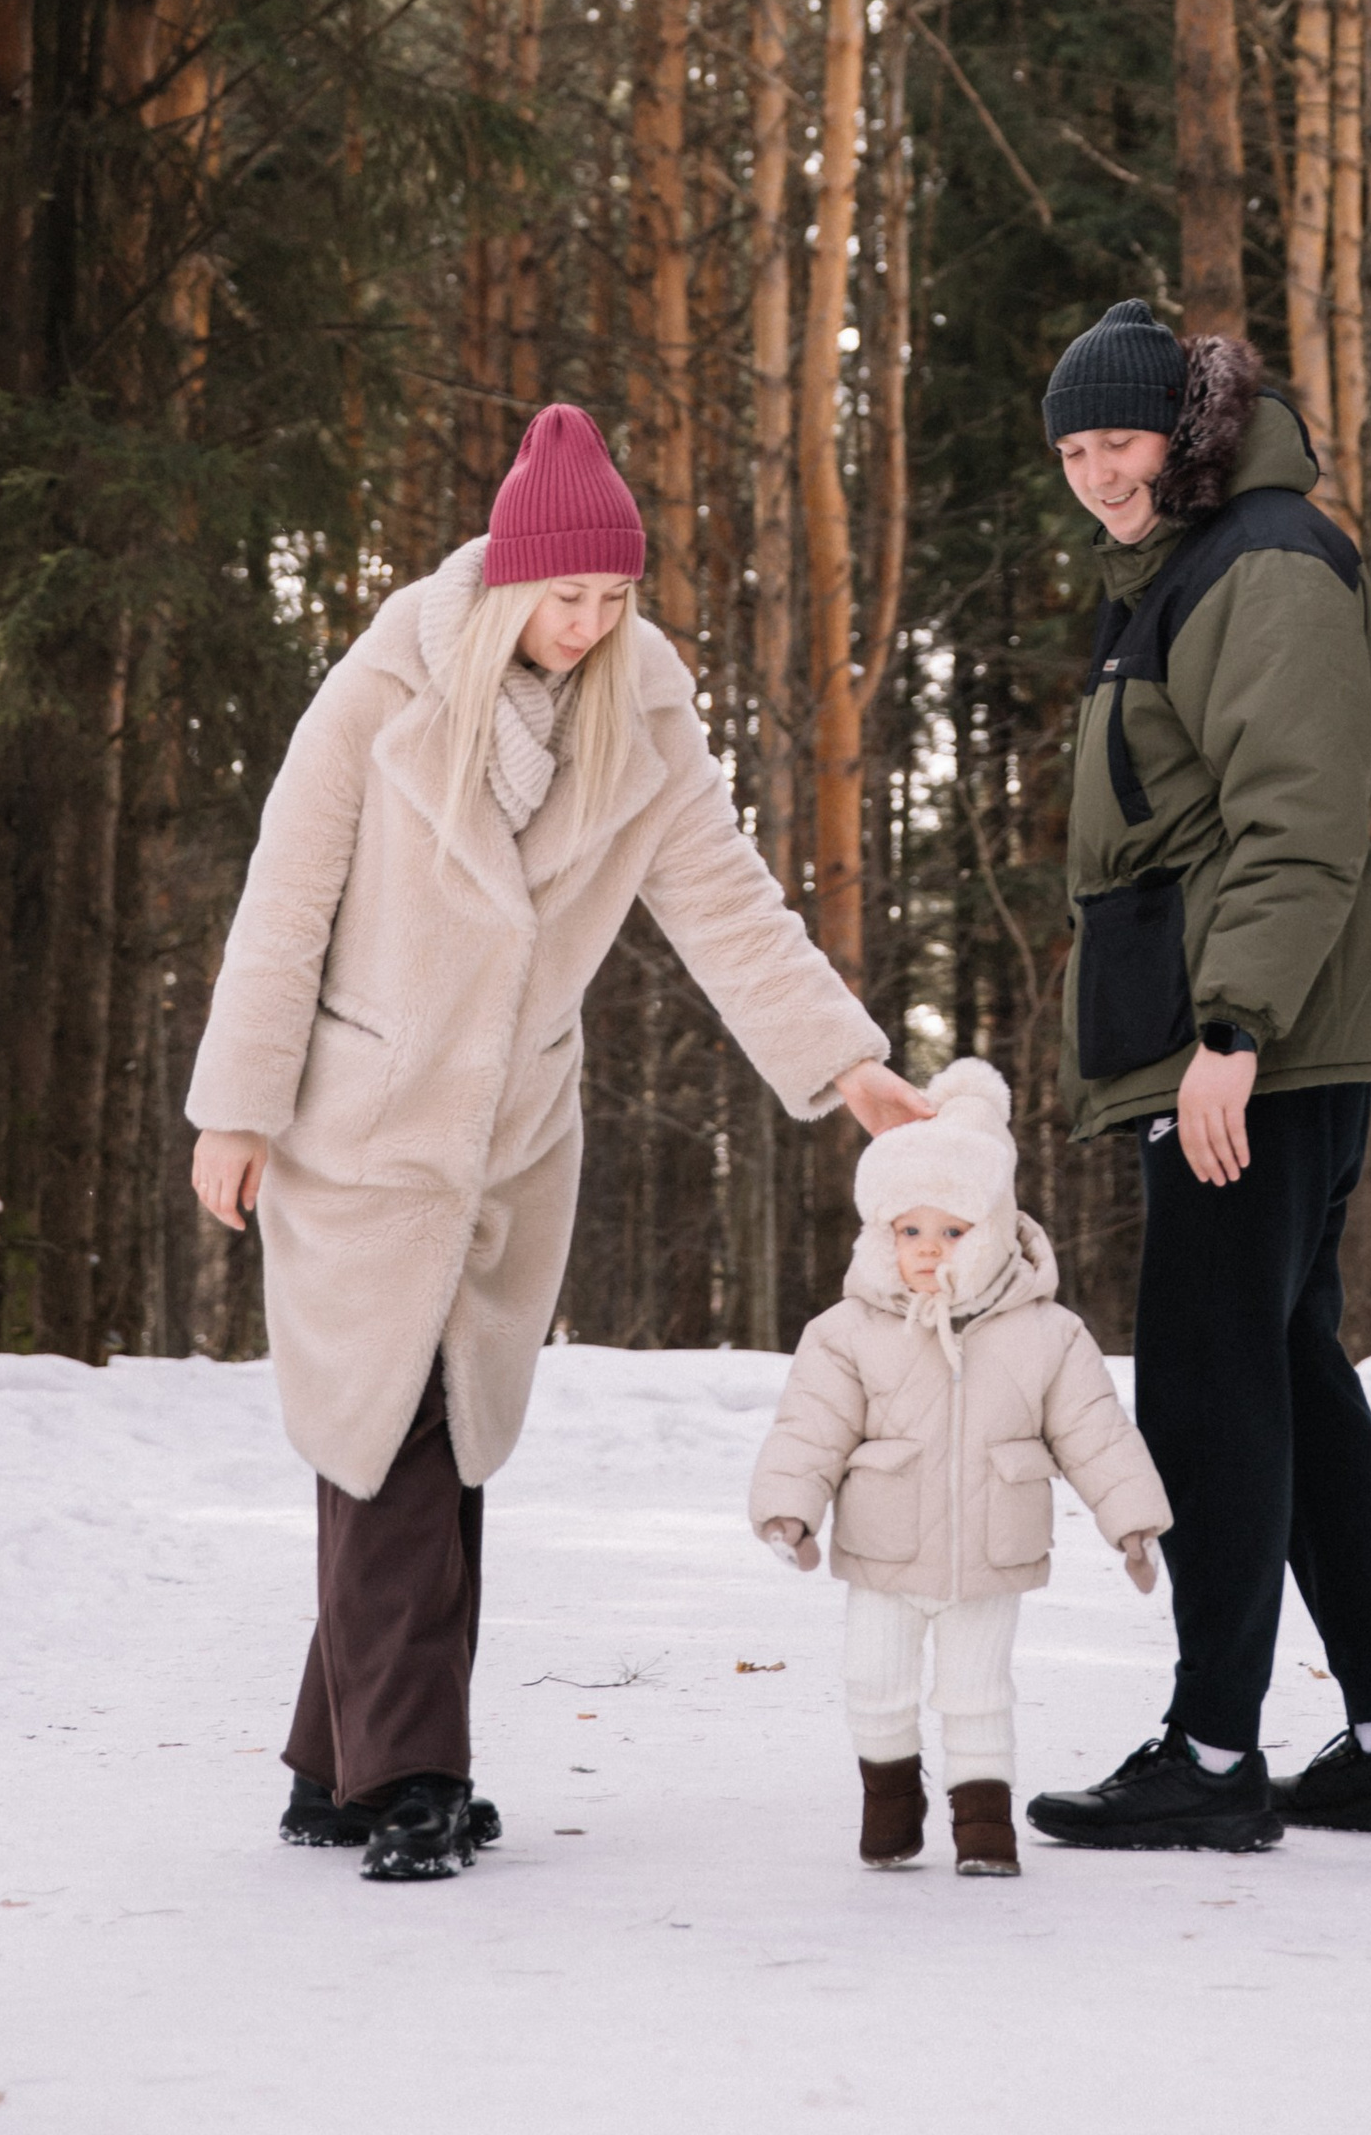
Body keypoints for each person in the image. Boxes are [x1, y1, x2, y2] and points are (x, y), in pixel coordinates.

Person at [187, 401, 929, 1882]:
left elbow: (724, 898)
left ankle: (334, 1763)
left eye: (614, 596)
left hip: (515, 1134)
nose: (589, 624)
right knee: (382, 1427)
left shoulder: (642, 710)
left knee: (439, 1432)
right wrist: (237, 1107)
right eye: (567, 595)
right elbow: (285, 901)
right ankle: (412, 1777)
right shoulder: (385, 686)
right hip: (364, 1121)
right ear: (510, 579)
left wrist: (848, 1064)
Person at [1019, 299, 1371, 1855]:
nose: (1096, 473)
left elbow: (1298, 813)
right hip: (1236, 1037)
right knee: (1284, 1372)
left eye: (1120, 441)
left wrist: (1231, 1032)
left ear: (1186, 436)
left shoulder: (1266, 563)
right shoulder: (1178, 573)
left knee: (1213, 1386)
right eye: (1074, 450)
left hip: (1253, 1048)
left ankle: (1214, 1753)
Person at [749, 1058, 1169, 1876]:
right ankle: (891, 1805)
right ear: (881, 1232)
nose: (929, 1251)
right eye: (911, 1231)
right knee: (875, 1683)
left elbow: (1095, 1432)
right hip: (884, 1550)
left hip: (991, 1554)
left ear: (995, 1230)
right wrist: (789, 1511)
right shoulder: (846, 1332)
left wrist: (1134, 1523)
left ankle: (984, 1826)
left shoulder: (1047, 1333)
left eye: (954, 1231)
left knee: (980, 1693)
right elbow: (810, 1429)